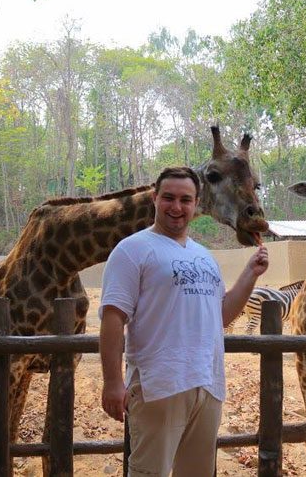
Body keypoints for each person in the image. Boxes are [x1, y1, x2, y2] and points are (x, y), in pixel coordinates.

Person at [99, 166, 269, 477]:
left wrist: (250, 274)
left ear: (195, 203)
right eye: (169, 198)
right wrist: (112, 381)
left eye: (185, 199)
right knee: (149, 473)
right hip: (158, 386)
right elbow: (113, 317)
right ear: (155, 198)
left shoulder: (204, 256)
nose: (176, 207)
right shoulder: (132, 250)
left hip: (207, 384)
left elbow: (220, 316)